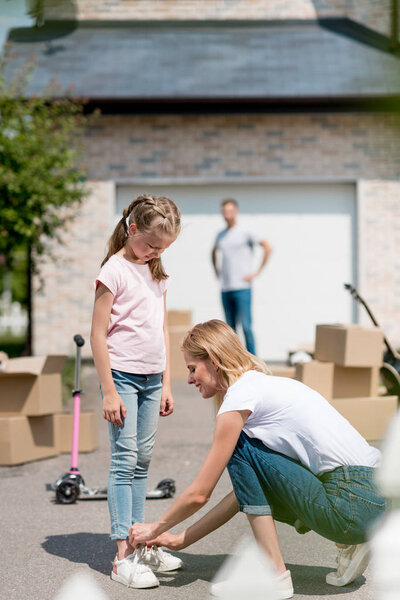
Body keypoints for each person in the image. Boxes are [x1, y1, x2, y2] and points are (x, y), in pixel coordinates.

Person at [129, 319, 388, 598]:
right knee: (247, 452)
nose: (190, 379)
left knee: (238, 444)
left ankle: (275, 575)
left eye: (192, 369)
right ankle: (349, 543)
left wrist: (154, 528)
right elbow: (246, 493)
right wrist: (180, 539)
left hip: (350, 504)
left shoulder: (240, 400)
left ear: (214, 360)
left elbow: (199, 494)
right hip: (376, 500)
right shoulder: (263, 386)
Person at [90, 194, 183, 589]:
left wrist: (166, 381)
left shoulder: (156, 273)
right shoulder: (113, 271)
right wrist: (109, 391)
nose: (154, 253)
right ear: (132, 230)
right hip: (123, 377)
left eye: (162, 249)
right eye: (151, 245)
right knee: (124, 459)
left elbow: (162, 329)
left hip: (150, 378)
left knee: (143, 460)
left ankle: (141, 543)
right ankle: (122, 556)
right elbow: (97, 335)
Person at [211, 198, 271, 355]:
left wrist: (257, 272)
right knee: (230, 329)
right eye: (225, 212)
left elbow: (267, 247)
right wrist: (217, 272)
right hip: (226, 287)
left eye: (230, 211)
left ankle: (254, 361)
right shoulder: (221, 235)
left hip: (242, 288)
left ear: (236, 212)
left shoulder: (246, 232)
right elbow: (213, 252)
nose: (227, 215)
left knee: (246, 326)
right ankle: (235, 361)